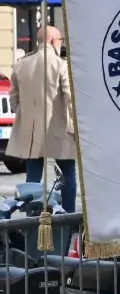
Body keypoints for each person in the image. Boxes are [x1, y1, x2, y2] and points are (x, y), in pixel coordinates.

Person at [9, 25, 77, 212]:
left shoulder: (21, 64)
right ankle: (68, 218)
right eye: (60, 41)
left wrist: (25, 117)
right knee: (68, 174)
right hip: (59, 130)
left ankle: (33, 217)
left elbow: (14, 99)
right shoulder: (61, 65)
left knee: (32, 178)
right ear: (53, 41)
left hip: (31, 132)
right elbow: (70, 99)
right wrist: (74, 127)